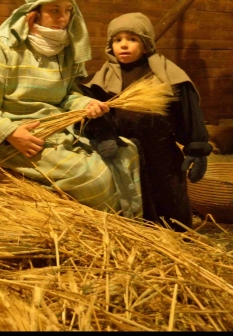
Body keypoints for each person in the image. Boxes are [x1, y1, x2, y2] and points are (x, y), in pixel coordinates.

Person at [0, 0, 143, 219]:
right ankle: (99, 236)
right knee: (96, 179)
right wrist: (11, 133)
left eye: (68, 10)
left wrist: (85, 103)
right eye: (54, 10)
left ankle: (130, 226)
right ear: (34, 12)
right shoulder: (6, 48)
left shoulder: (64, 49)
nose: (63, 18)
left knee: (127, 153)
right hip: (21, 140)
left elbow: (67, 95)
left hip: (59, 130)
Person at [81, 12, 212, 231]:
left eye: (132, 39)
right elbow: (93, 111)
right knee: (132, 200)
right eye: (118, 40)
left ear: (146, 44)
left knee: (169, 197)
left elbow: (187, 110)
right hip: (124, 151)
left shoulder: (166, 73)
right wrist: (103, 134)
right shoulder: (103, 78)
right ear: (110, 45)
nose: (124, 45)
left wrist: (197, 148)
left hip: (161, 151)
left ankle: (179, 240)